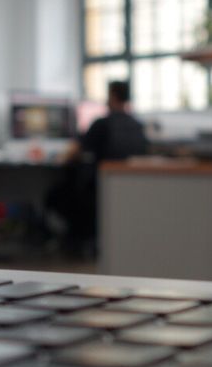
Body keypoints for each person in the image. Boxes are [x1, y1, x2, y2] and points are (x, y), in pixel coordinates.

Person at [51, 81, 149, 255]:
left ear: (112, 96)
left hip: (96, 189)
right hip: (129, 191)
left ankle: (72, 241)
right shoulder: (138, 125)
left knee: (54, 196)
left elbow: (75, 152)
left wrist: (60, 157)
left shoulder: (102, 124)